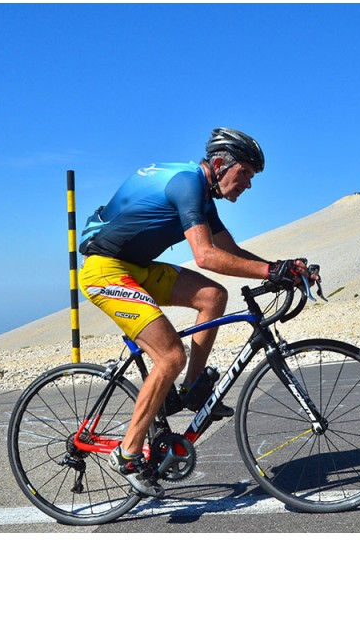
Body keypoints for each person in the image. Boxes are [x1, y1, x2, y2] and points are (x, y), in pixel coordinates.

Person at [78, 128, 317, 498]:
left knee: (212, 295)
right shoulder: (188, 184)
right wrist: (271, 272)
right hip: (106, 270)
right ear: (221, 164)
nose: (248, 185)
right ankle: (127, 454)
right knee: (169, 355)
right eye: (247, 174)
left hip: (136, 266)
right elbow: (206, 256)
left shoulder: (205, 195)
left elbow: (230, 250)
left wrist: (282, 267)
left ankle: (191, 389)